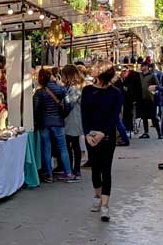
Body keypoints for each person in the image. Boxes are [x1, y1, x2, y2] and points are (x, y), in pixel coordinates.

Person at [81, 66, 124, 221]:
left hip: (107, 135)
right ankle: (97, 195)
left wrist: (103, 133)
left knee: (106, 169)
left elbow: (114, 116)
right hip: (91, 134)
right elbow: (84, 114)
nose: (92, 70)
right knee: (95, 168)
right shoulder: (87, 91)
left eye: (95, 69)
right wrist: (87, 133)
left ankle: (105, 205)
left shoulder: (116, 93)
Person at [33, 68, 78, 183]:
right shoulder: (61, 89)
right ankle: (68, 173)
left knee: (46, 148)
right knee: (63, 147)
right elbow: (68, 105)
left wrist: (37, 122)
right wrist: (62, 115)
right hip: (58, 122)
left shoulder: (39, 92)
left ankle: (49, 174)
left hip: (44, 123)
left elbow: (36, 109)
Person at [62, 64, 85, 178]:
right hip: (71, 119)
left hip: (73, 119)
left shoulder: (74, 88)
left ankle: (75, 169)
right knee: (71, 145)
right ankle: (72, 168)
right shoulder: (72, 86)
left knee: (73, 145)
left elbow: (69, 104)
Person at [137, 61, 161, 139]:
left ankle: (159, 133)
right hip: (142, 98)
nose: (141, 67)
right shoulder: (139, 75)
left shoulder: (152, 76)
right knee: (144, 116)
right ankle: (146, 132)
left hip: (150, 98)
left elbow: (157, 85)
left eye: (143, 66)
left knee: (153, 116)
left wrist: (153, 92)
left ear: (147, 67)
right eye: (141, 66)